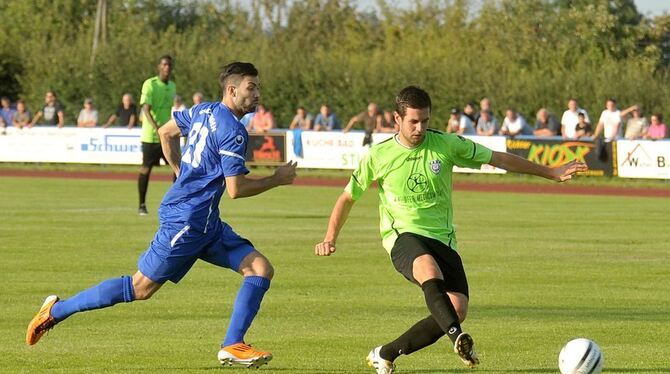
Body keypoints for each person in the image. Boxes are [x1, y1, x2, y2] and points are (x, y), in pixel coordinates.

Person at [26, 62, 298, 369]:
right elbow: (236, 189)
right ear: (232, 90)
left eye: (259, 87)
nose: (257, 93)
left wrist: (180, 171)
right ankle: (55, 311)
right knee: (140, 288)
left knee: (260, 269)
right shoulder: (233, 130)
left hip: (207, 222)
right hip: (187, 221)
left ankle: (233, 344)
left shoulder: (202, 110)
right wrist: (277, 179)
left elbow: (166, 132)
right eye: (252, 87)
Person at [314, 86, 587, 374]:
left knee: (456, 310)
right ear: (397, 119)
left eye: (425, 121)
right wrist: (330, 237)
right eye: (413, 122)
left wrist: (550, 172)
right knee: (428, 271)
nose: (420, 128)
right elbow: (348, 197)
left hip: (442, 238)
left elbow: (498, 158)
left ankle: (385, 354)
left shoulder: (445, 145)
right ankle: (458, 338)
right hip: (402, 236)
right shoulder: (378, 155)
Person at [137, 55, 177, 216]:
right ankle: (141, 204)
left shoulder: (173, 86)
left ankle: (176, 204)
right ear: (159, 67)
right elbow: (146, 109)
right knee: (146, 169)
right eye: (164, 64)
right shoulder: (150, 84)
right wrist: (157, 128)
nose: (167, 67)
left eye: (169, 65)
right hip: (151, 136)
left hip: (166, 135)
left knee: (177, 168)